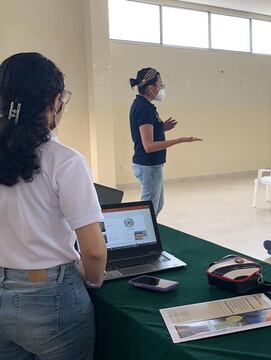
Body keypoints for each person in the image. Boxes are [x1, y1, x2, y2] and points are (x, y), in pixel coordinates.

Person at [0, 53, 107, 359]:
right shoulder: (66, 161)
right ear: (55, 101)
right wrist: (93, 280)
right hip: (52, 298)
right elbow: (95, 250)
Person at [129, 68, 202, 216]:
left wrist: (162, 128)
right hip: (148, 165)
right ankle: (144, 237)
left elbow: (148, 132)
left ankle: (150, 234)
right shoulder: (143, 108)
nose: (161, 88)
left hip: (152, 165)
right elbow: (148, 146)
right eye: (160, 85)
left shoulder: (146, 106)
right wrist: (181, 140)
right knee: (148, 212)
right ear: (151, 88)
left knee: (157, 206)